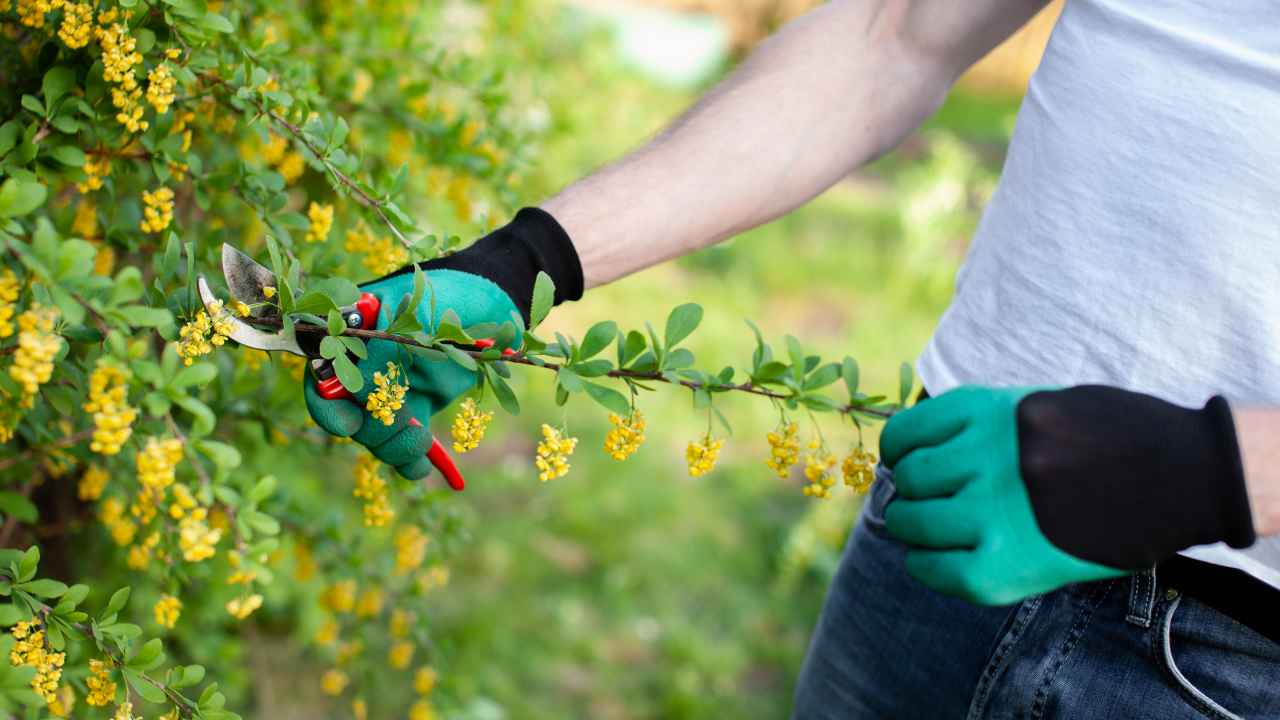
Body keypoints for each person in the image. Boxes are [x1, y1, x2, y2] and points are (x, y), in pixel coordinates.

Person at [304, 0, 1280, 716]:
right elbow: (892, 34)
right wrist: (526, 263)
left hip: (1236, 659)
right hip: (941, 521)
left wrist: (1196, 473)